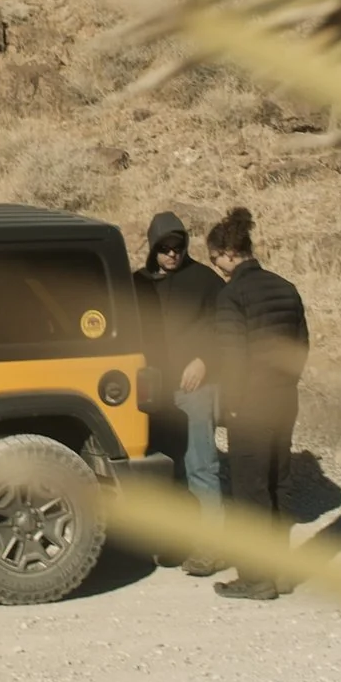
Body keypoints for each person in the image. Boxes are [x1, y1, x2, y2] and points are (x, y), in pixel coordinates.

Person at [204, 205, 309, 600]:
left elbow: (232, 358)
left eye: (214, 259)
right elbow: (300, 347)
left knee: (250, 493)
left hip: (250, 405)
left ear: (229, 253)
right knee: (278, 486)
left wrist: (230, 405)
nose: (216, 267)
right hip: (284, 400)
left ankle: (255, 578)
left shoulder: (232, 295)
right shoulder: (286, 287)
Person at [134, 208, 226, 569]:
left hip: (195, 391)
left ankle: (212, 547)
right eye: (165, 247)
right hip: (154, 393)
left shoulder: (205, 281)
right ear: (152, 248)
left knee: (200, 466)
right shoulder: (138, 284)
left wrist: (205, 360)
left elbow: (229, 329)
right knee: (166, 469)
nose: (172, 253)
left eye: (178, 246)